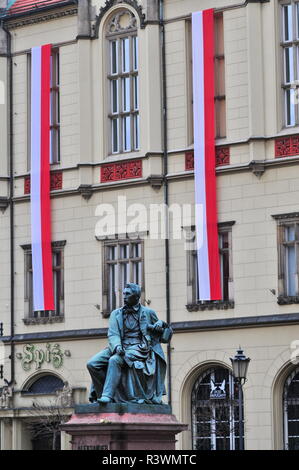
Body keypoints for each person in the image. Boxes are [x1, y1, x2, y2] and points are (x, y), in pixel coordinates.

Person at [86, 283, 173, 404]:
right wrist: (117, 346)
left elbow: (164, 338)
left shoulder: (148, 313)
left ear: (137, 297)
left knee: (115, 360)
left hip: (139, 348)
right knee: (92, 364)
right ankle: (104, 393)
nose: (124, 296)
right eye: (124, 293)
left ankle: (107, 396)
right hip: (119, 346)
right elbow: (113, 334)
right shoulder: (115, 314)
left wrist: (162, 324)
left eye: (128, 294)